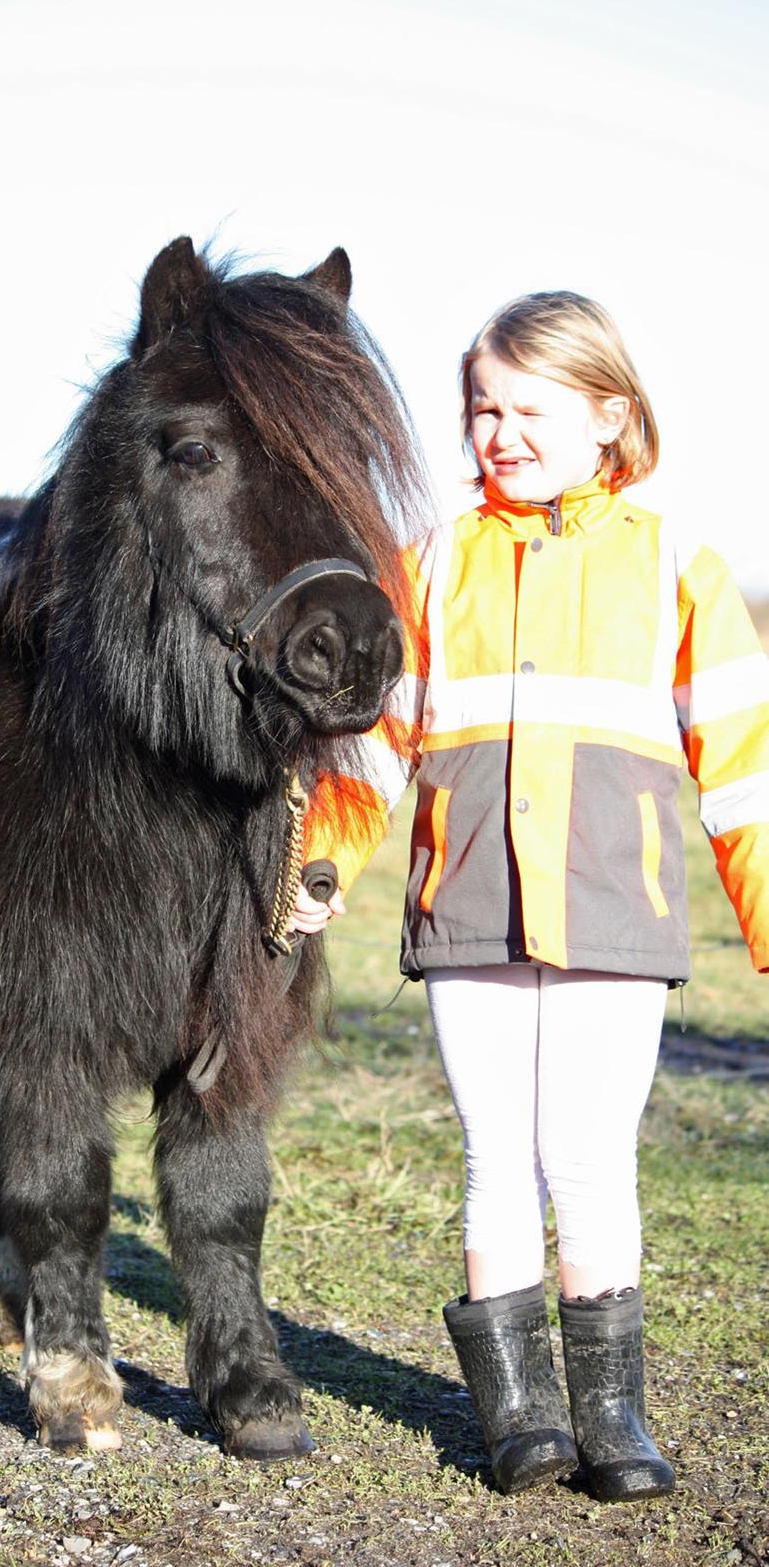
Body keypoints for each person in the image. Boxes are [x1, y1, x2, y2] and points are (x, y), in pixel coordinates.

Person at [292, 291, 769, 1503]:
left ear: (610, 415)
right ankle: (518, 1419)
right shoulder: (432, 562)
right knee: (496, 1159)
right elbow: (371, 749)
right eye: (480, 408)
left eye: (527, 408)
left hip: (616, 916)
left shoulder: (677, 566)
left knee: (591, 1160)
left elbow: (744, 773)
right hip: (469, 912)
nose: (496, 432)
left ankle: (615, 1419)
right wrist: (321, 869)